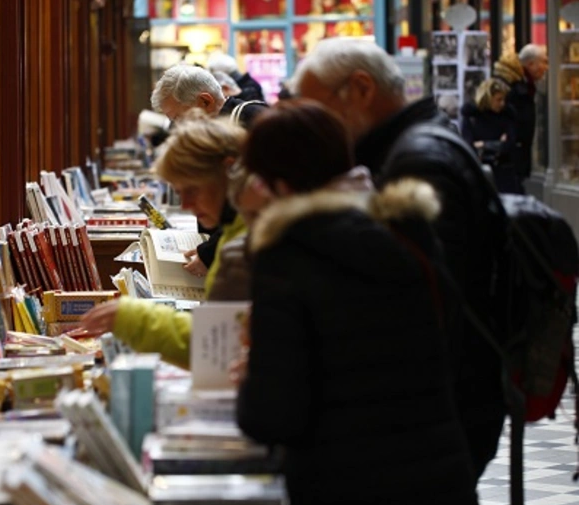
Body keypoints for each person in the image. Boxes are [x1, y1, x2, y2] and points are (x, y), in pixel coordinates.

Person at [237, 99, 493, 505]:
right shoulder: (409, 230)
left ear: (282, 183)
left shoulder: (289, 252)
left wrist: (251, 377)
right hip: (440, 491)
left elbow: (274, 416)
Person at [293, 37, 506, 481]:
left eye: (319, 112)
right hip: (442, 401)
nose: (314, 130)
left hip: (439, 407)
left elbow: (427, 303)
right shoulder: (409, 147)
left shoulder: (417, 161)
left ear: (362, 88)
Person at [78, 115, 248, 367]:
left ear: (229, 170)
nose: (186, 206)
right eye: (180, 193)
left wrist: (136, 319)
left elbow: (219, 344)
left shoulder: (249, 241)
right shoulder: (237, 230)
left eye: (192, 190)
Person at [151, 64, 267, 276]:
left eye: (177, 119)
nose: (177, 129)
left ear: (205, 101)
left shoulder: (252, 121)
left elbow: (257, 206)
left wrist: (211, 252)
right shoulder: (221, 126)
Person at [493, 46, 548, 183]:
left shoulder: (525, 85)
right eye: (543, 62)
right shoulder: (513, 86)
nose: (546, 67)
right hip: (510, 155)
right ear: (530, 64)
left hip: (517, 153)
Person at [461, 78, 522, 193]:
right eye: (498, 100)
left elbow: (508, 144)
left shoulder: (507, 115)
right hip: (480, 174)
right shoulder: (472, 116)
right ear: (488, 98)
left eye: (504, 100)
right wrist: (497, 143)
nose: (502, 104)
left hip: (504, 174)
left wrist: (483, 144)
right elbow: (469, 146)